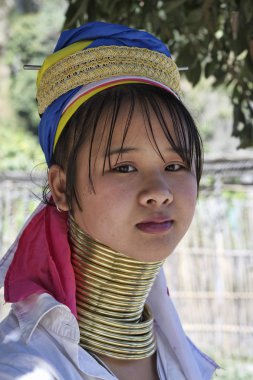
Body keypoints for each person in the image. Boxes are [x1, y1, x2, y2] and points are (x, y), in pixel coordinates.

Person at [0, 21, 218, 379]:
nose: (160, 190)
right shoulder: (22, 368)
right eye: (125, 167)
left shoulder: (176, 352)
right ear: (62, 188)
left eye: (175, 164)